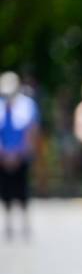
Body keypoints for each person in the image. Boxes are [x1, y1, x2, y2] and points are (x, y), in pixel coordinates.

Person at [0, 71, 40, 240]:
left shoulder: (27, 105)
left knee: (22, 190)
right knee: (5, 192)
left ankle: (25, 224)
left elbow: (32, 131)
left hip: (21, 157)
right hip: (3, 157)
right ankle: (8, 224)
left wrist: (19, 153)